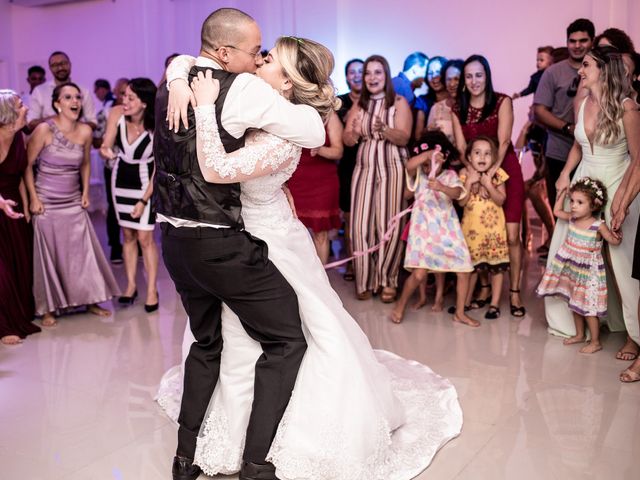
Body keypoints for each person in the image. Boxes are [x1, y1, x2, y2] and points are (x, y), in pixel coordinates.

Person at [160, 34, 462, 480]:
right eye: (259, 54)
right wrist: (176, 78)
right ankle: (227, 439)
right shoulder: (253, 101)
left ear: (286, 82)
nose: (259, 60)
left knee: (282, 336)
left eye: (268, 60)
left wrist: (203, 105)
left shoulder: (290, 129)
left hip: (265, 241)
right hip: (236, 234)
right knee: (228, 338)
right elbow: (191, 57)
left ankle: (262, 448)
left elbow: (220, 170)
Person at [155, 9, 325, 480]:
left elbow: (183, 59)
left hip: (173, 241)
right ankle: (255, 463)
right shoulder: (243, 87)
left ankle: (184, 460)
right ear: (227, 53)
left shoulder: (176, 77)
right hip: (221, 245)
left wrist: (174, 75)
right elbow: (314, 131)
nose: (257, 60)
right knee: (288, 339)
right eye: (255, 52)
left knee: (208, 343)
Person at [545, 46, 640, 359]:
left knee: (621, 265)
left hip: (617, 182)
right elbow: (578, 145)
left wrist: (623, 200)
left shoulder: (627, 107)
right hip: (585, 181)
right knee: (572, 254)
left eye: (585, 65)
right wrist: (565, 174)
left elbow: (638, 158)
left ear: (603, 70)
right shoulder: (583, 101)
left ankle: (634, 335)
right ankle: (576, 323)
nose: (579, 71)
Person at [24, 83, 119, 327]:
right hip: (46, 201)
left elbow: (86, 163)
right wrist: (33, 198)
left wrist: (86, 192)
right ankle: (48, 308)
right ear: (57, 103)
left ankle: (91, 299)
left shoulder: (86, 132)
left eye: (77, 97)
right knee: (50, 255)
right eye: (68, 97)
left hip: (73, 199)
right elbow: (25, 164)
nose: (74, 101)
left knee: (82, 252)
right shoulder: (44, 129)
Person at [452, 55, 526, 317]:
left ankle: (514, 291)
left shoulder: (503, 101)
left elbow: (505, 142)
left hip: (505, 171)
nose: (474, 81)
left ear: (487, 76)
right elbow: (462, 148)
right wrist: (474, 174)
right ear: (464, 80)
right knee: (480, 232)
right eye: (469, 76)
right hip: (475, 171)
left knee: (511, 235)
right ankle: (484, 289)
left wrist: (490, 176)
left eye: (479, 75)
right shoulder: (457, 108)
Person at [343, 54, 412, 302]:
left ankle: (387, 280)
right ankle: (365, 279)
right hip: (364, 167)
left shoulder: (399, 102)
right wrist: (354, 130)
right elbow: (346, 139)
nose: (372, 77)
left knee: (389, 224)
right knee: (360, 224)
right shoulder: (359, 105)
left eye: (377, 72)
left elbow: (404, 137)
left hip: (392, 166)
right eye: (368, 73)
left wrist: (384, 129)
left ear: (386, 76)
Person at [390, 132, 478, 327]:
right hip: (423, 232)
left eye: (434, 162)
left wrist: (441, 187)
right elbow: (409, 166)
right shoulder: (419, 176)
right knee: (419, 274)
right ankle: (400, 305)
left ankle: (460, 313)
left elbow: (457, 193)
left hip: (448, 230)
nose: (429, 166)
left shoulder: (450, 175)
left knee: (463, 269)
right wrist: (429, 153)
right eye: (426, 162)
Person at [537, 178, 619, 354]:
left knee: (589, 309)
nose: (573, 206)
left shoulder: (598, 226)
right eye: (572, 201)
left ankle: (595, 341)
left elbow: (613, 240)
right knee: (574, 304)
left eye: (579, 202)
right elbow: (557, 211)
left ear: (594, 205)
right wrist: (561, 194)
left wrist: (617, 231)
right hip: (574, 271)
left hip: (589, 274)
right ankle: (580, 334)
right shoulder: (573, 219)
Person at [100, 78, 160, 311]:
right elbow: (106, 144)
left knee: (145, 238)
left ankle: (152, 289)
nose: (124, 101)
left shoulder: (156, 124)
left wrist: (144, 199)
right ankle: (131, 286)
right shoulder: (116, 113)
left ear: (144, 103)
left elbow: (158, 168)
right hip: (120, 179)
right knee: (127, 235)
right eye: (124, 95)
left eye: (130, 97)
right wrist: (106, 152)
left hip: (146, 181)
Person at [534, 18, 595, 206]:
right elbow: (540, 110)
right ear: (567, 41)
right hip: (559, 151)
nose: (577, 46)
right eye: (572, 41)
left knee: (589, 212)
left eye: (583, 40)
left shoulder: (600, 70)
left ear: (592, 41)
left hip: (593, 153)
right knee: (560, 210)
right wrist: (567, 127)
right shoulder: (553, 72)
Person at [0, 90, 40, 345]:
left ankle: (21, 313)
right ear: (8, 115)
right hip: (1, 205)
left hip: (14, 207)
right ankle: (4, 326)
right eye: (21, 104)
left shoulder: (18, 138)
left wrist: (27, 204)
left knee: (20, 264)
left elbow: (22, 170)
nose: (26, 108)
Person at [459, 136, 510, 319]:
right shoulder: (464, 174)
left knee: (496, 268)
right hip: (472, 232)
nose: (482, 157)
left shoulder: (497, 175)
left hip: (493, 230)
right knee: (472, 267)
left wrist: (488, 184)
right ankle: (464, 302)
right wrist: (469, 182)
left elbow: (501, 200)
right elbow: (462, 202)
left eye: (487, 154)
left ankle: (495, 303)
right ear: (469, 157)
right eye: (477, 153)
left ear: (494, 158)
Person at [287, 110, 343, 264]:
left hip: (322, 183)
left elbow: (339, 151)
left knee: (320, 234)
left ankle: (321, 280)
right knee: (296, 233)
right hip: (294, 181)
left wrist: (320, 149)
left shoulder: (329, 115)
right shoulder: (288, 112)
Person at [336, 58, 363, 280]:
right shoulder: (339, 102)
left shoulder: (379, 101)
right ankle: (353, 264)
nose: (357, 75)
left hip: (372, 165)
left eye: (361, 71)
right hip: (348, 166)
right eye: (352, 72)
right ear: (346, 77)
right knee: (350, 217)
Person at [27, 51, 96, 131]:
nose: (60, 68)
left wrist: (73, 127)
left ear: (70, 64)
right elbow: (31, 123)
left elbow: (93, 123)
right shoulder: (40, 91)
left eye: (63, 63)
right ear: (50, 68)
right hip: (48, 140)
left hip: (79, 140)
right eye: (55, 65)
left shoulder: (84, 91)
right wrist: (57, 119)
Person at [426, 59, 463, 145]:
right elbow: (427, 142)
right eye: (448, 79)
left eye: (456, 79)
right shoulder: (436, 108)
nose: (452, 84)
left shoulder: (472, 107)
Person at [414, 56, 448, 140]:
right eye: (430, 73)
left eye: (438, 72)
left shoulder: (456, 101)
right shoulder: (422, 102)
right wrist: (428, 130)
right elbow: (417, 136)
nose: (434, 77)